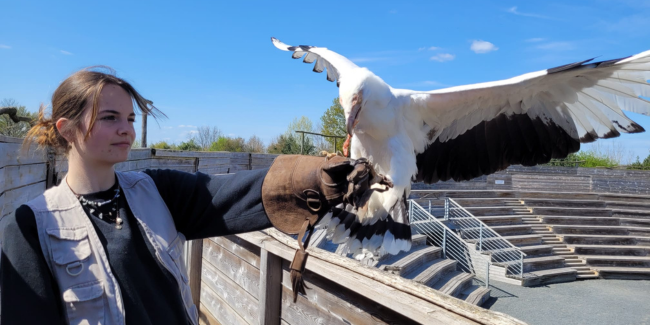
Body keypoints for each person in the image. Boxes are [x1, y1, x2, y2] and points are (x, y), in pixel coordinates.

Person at [0, 67, 380, 324]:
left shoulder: (156, 190)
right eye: (110, 118)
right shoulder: (30, 230)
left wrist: (319, 178)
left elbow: (234, 194)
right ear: (67, 130)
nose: (126, 130)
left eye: (130, 119)